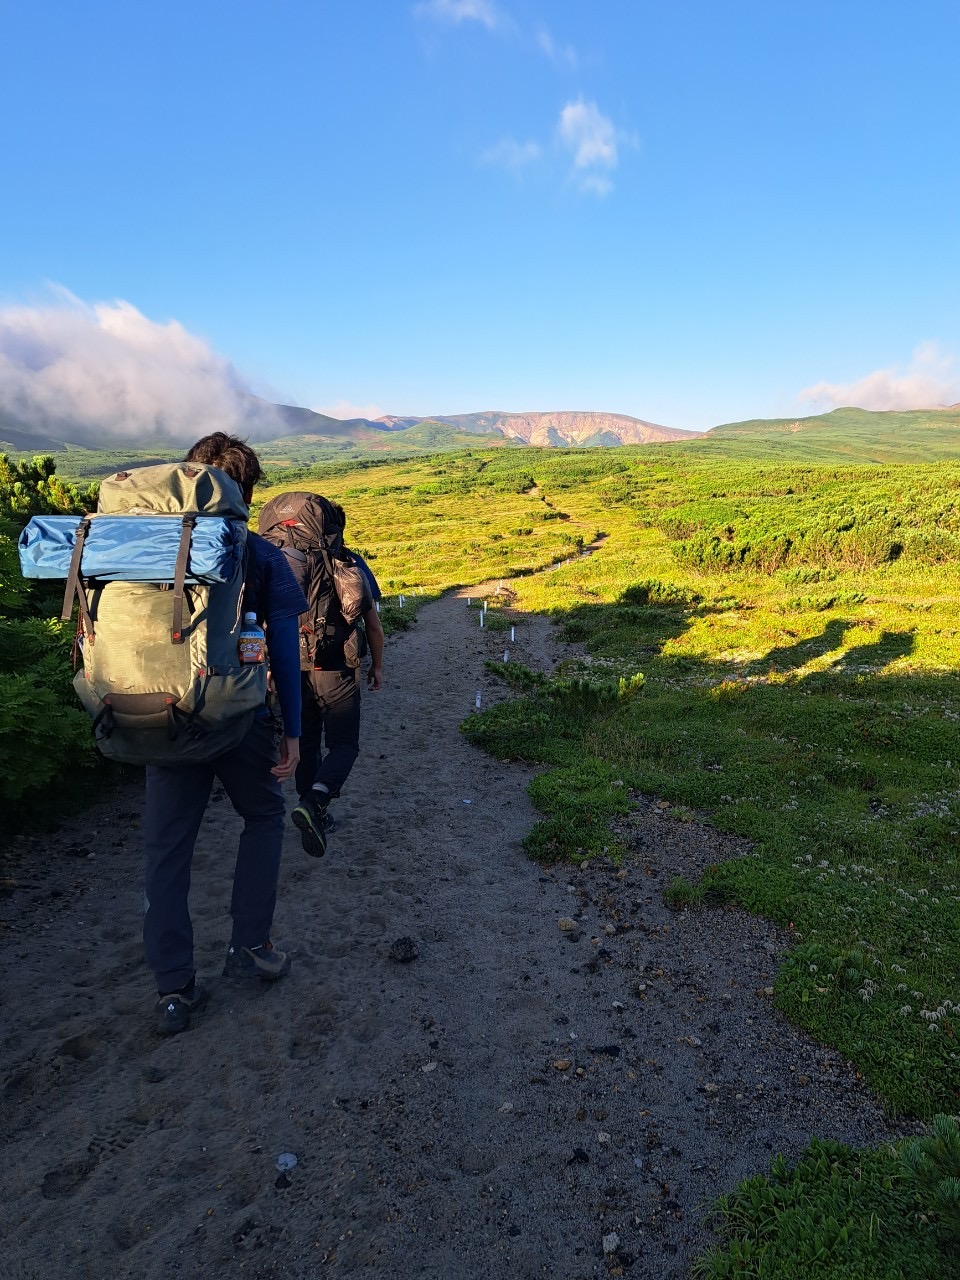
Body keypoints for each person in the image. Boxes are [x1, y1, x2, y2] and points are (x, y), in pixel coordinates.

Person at [143, 433, 308, 1035]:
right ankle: (250, 947)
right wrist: (291, 731)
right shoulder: (261, 554)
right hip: (238, 719)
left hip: (159, 714)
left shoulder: (147, 547)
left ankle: (173, 989)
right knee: (263, 817)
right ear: (248, 490)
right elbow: (285, 657)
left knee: (166, 848)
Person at [289, 502, 384, 858]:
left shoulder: (284, 560)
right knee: (344, 744)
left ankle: (309, 809)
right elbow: (371, 624)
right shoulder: (350, 563)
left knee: (308, 742)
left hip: (293, 669)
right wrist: (377, 666)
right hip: (335, 668)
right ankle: (315, 802)